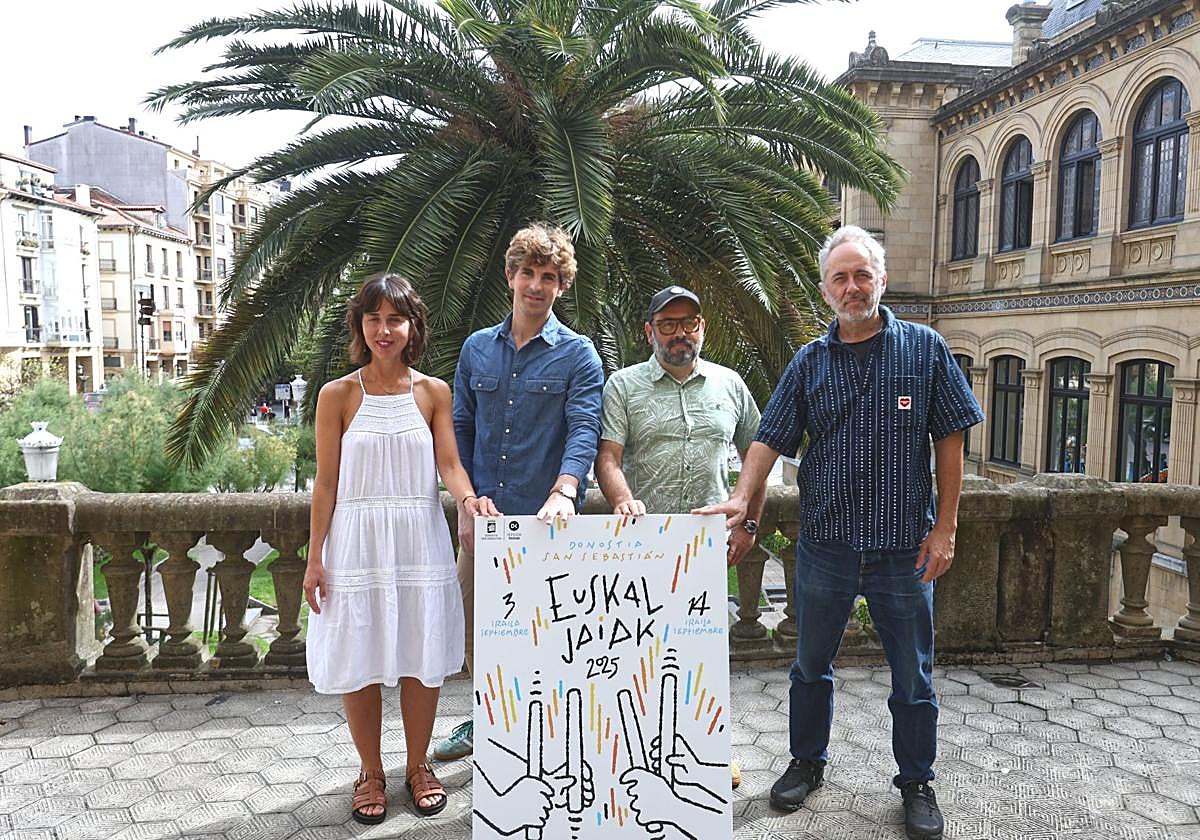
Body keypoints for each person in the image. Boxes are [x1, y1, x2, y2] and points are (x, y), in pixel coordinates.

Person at [696, 226, 984, 840]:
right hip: (825, 547)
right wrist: (744, 498)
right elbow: (768, 437)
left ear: (881, 279)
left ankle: (916, 782)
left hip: (904, 548)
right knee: (809, 667)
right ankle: (806, 763)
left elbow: (951, 439)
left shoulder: (926, 350)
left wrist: (946, 528)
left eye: (862, 275)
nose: (852, 287)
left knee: (913, 676)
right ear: (826, 289)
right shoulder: (809, 361)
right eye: (840, 278)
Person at [302, 273, 499, 824]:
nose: (383, 330)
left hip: (417, 538)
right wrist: (316, 558)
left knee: (421, 657)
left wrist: (469, 502)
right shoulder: (336, 395)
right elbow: (325, 485)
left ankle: (417, 766)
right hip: (356, 543)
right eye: (373, 319)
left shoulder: (433, 392)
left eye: (394, 319)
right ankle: (370, 772)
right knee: (360, 658)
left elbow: (451, 467)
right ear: (359, 326)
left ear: (412, 326)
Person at [433, 223, 605, 761]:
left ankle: (550, 733)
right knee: (472, 627)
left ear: (562, 287)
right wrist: (465, 501)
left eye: (548, 276)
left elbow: (584, 428)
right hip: (484, 521)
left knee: (554, 634)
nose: (536, 284)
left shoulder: (579, 356)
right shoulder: (476, 351)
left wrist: (566, 488)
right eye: (527, 272)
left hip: (548, 525)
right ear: (510, 276)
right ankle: (489, 719)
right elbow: (458, 430)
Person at [595, 284, 765, 790]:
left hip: (706, 550)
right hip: (641, 548)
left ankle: (710, 749)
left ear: (702, 329)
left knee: (703, 656)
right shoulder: (622, 386)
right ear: (649, 331)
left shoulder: (731, 385)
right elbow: (608, 457)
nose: (678, 334)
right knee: (635, 658)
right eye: (667, 324)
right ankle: (632, 754)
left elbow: (759, 454)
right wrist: (622, 498)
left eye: (688, 323)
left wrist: (749, 523)